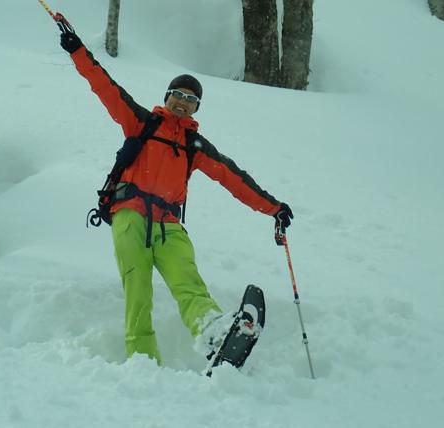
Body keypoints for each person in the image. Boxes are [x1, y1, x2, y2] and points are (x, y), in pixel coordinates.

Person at [59, 25, 293, 364]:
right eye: (178, 95)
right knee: (137, 293)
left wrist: (273, 208)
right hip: (131, 216)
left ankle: (213, 331)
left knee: (189, 282)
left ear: (197, 109)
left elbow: (234, 179)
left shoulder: (194, 145)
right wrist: (77, 50)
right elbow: (105, 87)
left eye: (191, 99)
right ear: (167, 96)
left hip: (169, 224)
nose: (183, 102)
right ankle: (142, 361)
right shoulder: (142, 123)